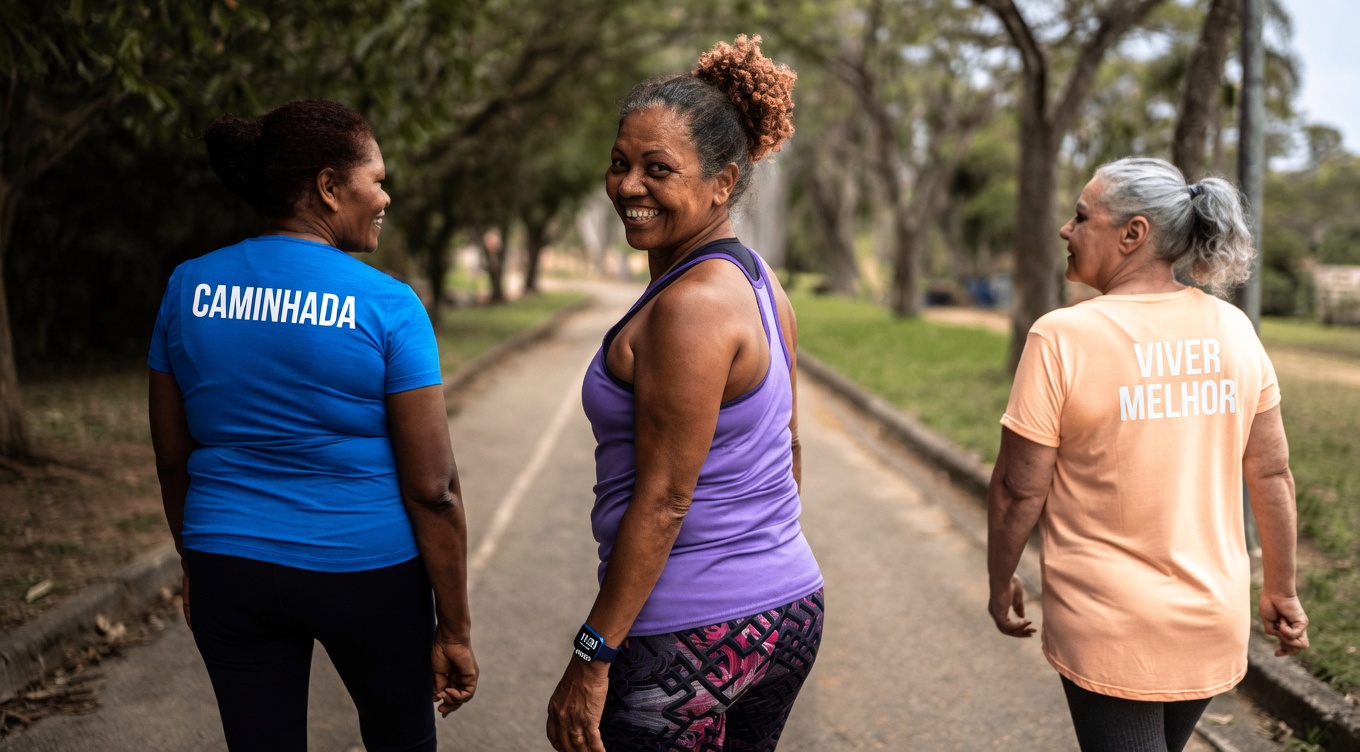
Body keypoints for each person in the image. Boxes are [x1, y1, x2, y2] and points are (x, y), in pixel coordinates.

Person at [148, 99, 478, 752]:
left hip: (228, 560)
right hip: (367, 570)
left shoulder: (187, 288)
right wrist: (455, 628)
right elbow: (433, 487)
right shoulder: (388, 304)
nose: (385, 195)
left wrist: (198, 561)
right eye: (375, 178)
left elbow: (171, 457)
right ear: (329, 187)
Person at [545, 35, 824, 752]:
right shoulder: (757, 281)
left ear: (721, 183)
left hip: (690, 632)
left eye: (658, 169)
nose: (629, 186)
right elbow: (788, 447)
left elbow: (667, 499)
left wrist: (593, 652)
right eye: (620, 163)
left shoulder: (691, 307)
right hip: (786, 607)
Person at [987, 157, 1309, 752]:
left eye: (1082, 217)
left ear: (1132, 234)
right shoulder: (1235, 329)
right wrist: (1281, 589)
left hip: (1109, 620)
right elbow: (1271, 473)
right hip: (1212, 615)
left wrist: (999, 577)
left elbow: (1017, 488)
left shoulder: (1062, 337)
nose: (1066, 229)